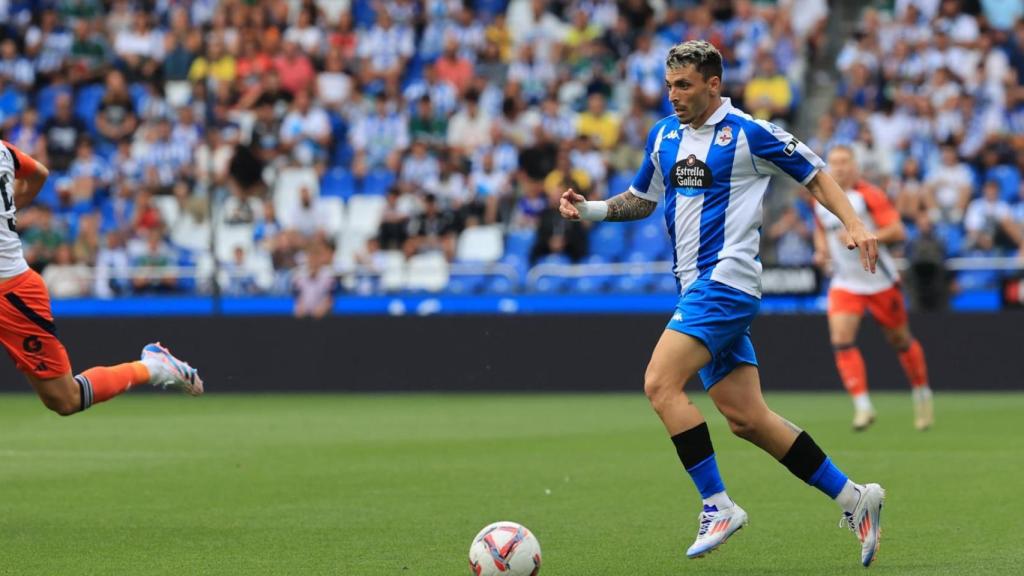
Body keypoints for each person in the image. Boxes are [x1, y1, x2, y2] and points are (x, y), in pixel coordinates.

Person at [559, 41, 884, 566]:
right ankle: (855, 498)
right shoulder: (664, 135)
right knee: (746, 417)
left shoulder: (749, 134)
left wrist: (854, 223)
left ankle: (717, 505)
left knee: (659, 384)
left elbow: (815, 172)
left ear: (713, 84)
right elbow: (642, 199)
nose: (674, 95)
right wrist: (591, 210)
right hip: (696, 288)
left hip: (726, 283)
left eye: (684, 85)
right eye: (669, 85)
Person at [0, 140, 202, 416]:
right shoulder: (4, 149)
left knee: (65, 399)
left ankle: (152, 367)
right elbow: (39, 174)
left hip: (11, 292)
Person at [813, 145, 934, 431]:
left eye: (845, 162)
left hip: (879, 280)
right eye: (834, 162)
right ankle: (863, 407)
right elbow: (821, 229)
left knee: (900, 341)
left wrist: (864, 234)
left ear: (855, 166)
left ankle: (922, 393)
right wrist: (820, 251)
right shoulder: (819, 195)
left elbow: (897, 230)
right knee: (841, 339)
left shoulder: (869, 195)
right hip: (845, 282)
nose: (839, 167)